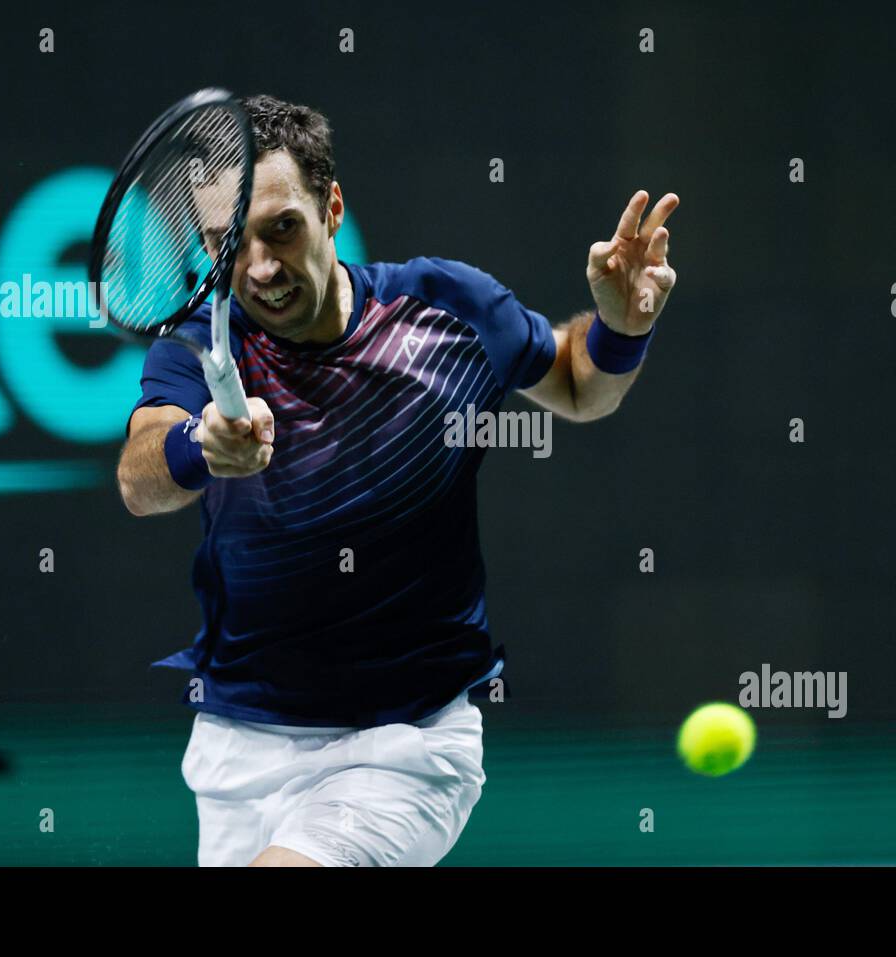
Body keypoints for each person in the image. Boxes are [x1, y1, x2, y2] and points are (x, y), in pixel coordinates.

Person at [116, 94, 679, 866]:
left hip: (403, 743)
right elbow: (140, 479)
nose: (258, 267)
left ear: (332, 209)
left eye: (282, 228)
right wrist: (198, 447)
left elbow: (579, 386)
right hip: (239, 748)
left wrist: (620, 328)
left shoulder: (445, 310)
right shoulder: (196, 351)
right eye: (228, 242)